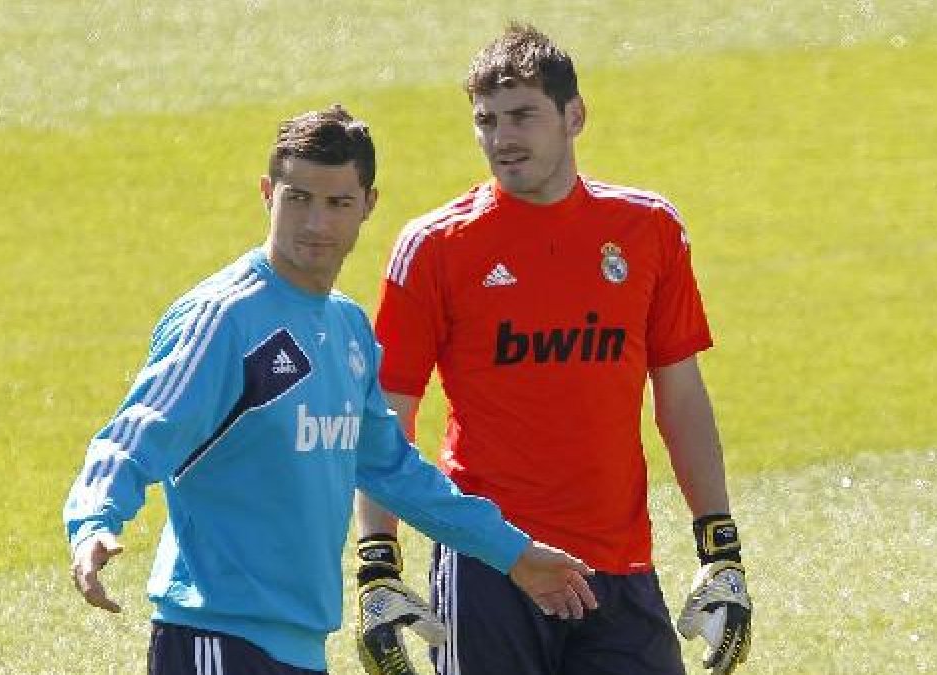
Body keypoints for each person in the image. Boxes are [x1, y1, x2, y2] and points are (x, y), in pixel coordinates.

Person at [63, 104, 599, 675]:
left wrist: (510, 553)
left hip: (302, 643)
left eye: (338, 203)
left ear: (368, 204)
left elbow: (394, 471)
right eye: (299, 199)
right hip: (214, 634)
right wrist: (95, 521)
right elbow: (136, 434)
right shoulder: (224, 319)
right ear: (268, 194)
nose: (316, 224)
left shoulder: (346, 329)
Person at [353, 25, 752, 675]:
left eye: (521, 116)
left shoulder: (649, 230)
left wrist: (720, 548)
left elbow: (680, 395)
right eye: (486, 120)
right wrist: (378, 562)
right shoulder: (434, 247)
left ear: (574, 116)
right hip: (488, 566)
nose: (501, 138)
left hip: (618, 567)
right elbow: (386, 413)